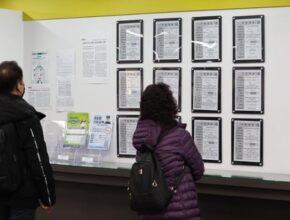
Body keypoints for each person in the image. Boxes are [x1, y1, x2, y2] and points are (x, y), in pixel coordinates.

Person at [133, 83, 204, 220]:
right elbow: (198, 170)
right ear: (170, 105)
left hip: (148, 211)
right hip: (179, 210)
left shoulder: (141, 138)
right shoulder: (180, 136)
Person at [0, 61, 55, 220]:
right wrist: (48, 197)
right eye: (22, 82)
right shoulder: (27, 116)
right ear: (17, 86)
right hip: (23, 196)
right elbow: (37, 159)